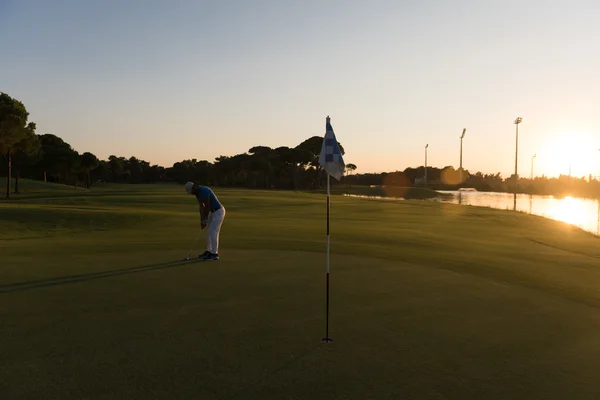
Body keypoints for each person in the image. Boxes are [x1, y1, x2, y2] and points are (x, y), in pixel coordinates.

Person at [184, 182, 226, 260]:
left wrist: (205, 218)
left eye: (191, 191)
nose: (192, 194)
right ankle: (209, 251)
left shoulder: (203, 191)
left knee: (213, 232)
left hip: (218, 212)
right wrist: (202, 220)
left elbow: (206, 206)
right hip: (213, 212)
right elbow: (201, 207)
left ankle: (214, 254)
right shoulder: (197, 193)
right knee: (208, 232)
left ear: (194, 188)